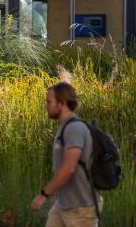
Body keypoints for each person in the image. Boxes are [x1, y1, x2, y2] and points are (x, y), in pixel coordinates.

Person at [30, 82, 101, 227]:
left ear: (61, 103)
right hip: (63, 205)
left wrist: (43, 194)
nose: (46, 105)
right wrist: (58, 194)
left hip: (81, 208)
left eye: (49, 102)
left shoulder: (74, 128)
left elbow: (69, 167)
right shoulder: (65, 127)